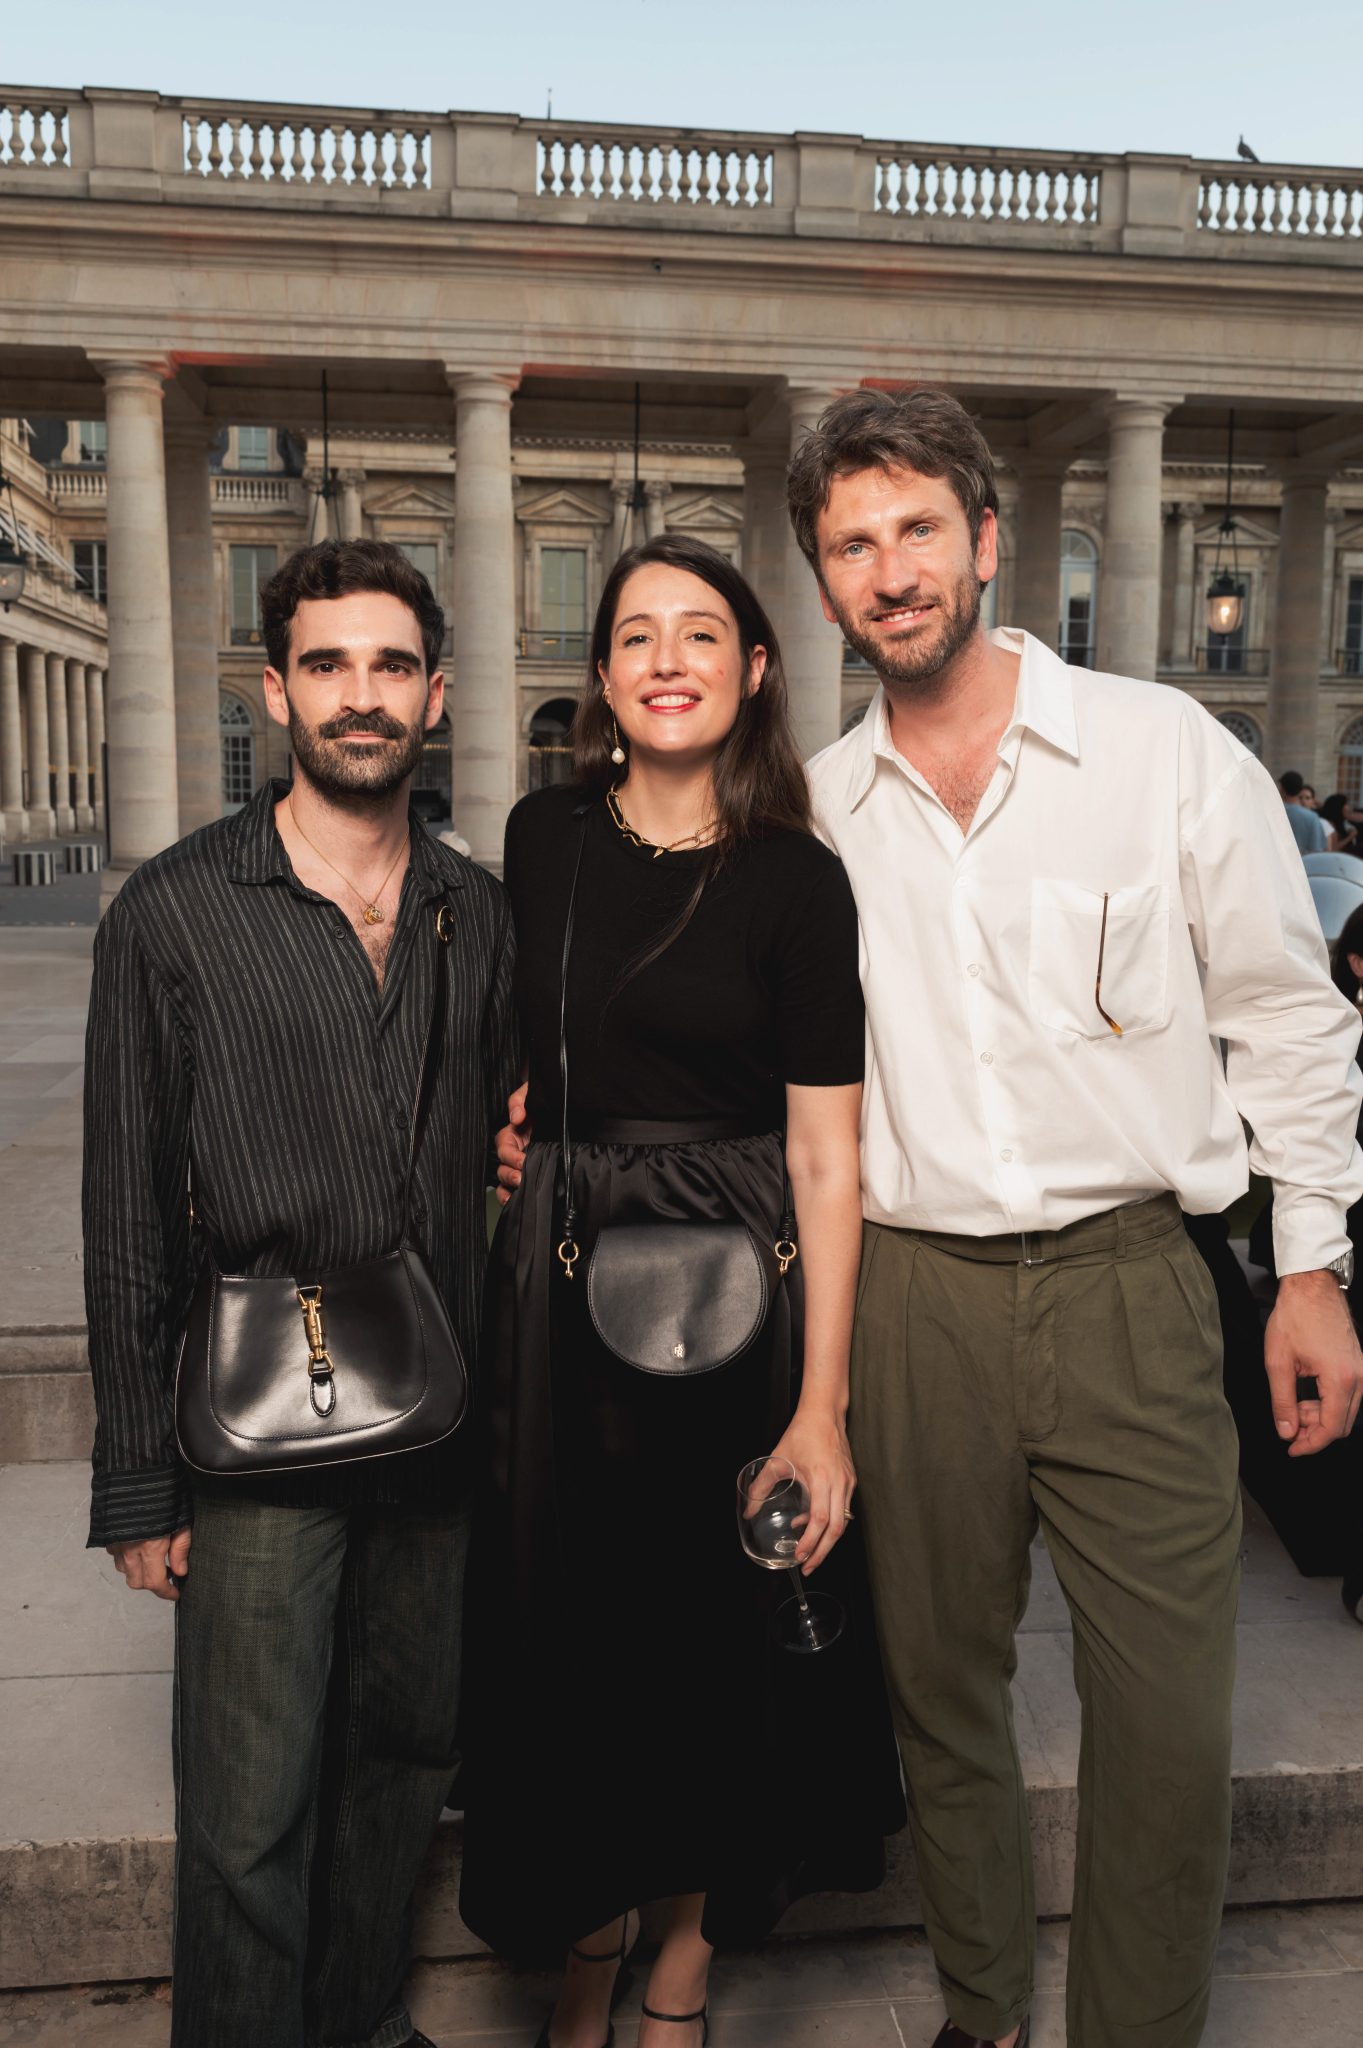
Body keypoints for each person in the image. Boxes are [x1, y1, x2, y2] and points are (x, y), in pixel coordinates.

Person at [783, 388, 1363, 2048]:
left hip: (1129, 1287)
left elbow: (1287, 1014)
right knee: (940, 1692)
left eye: (911, 530)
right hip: (914, 1300)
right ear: (823, 585)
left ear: (981, 540)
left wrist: (1309, 1268)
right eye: (848, 544)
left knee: (1167, 1716)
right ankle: (982, 2011)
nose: (886, 570)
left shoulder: (1158, 747)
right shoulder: (817, 814)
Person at [462, 535, 904, 2048]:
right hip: (557, 1275)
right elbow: (518, 1052)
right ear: (599, 677)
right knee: (567, 1637)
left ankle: (681, 1964)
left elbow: (828, 1159)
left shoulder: (797, 883)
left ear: (752, 670)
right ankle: (586, 1946)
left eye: (699, 633)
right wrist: (519, 1139)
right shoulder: (539, 840)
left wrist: (821, 1409)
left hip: (740, 1271)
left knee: (714, 1641)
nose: (665, 657)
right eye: (635, 633)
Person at [83, 539, 517, 2048]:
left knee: (403, 1758)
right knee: (249, 1804)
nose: (359, 695)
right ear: (275, 691)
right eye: (327, 664)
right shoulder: (175, 913)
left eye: (389, 665)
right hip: (258, 1410)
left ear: (435, 694)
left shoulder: (478, 911)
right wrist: (141, 1480)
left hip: (443, 1406)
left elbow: (506, 1128)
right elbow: (127, 1207)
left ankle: (358, 2024)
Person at [1280, 768, 1328, 853]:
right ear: (1300, 790)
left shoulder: (1271, 812)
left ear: (1282, 789)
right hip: (1303, 864)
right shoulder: (1312, 817)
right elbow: (1316, 849)